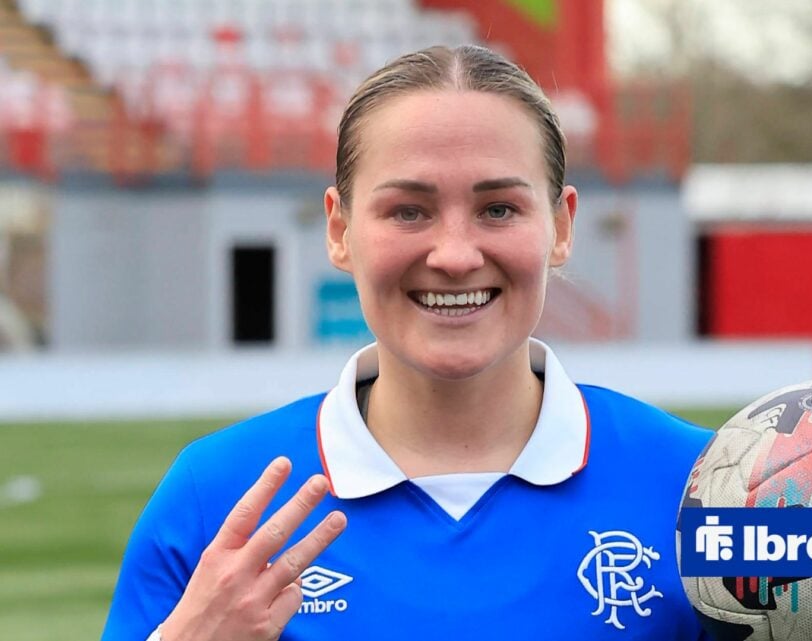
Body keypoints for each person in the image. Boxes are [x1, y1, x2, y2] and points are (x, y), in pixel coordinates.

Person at [101, 44, 713, 641]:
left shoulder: (710, 487)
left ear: (561, 226)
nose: (453, 255)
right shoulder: (217, 496)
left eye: (498, 209)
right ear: (339, 230)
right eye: (408, 211)